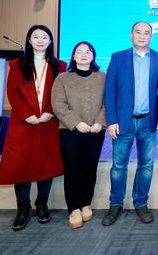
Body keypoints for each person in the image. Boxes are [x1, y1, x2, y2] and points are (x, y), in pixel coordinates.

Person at [0, 25, 66, 231]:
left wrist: (50, 112)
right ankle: (23, 207)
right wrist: (27, 115)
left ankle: (42, 203)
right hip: (23, 123)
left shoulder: (59, 66)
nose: (40, 40)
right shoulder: (17, 65)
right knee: (21, 165)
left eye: (45, 37)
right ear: (29, 40)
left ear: (50, 41)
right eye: (36, 37)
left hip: (49, 121)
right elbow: (13, 92)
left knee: (47, 163)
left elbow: (61, 93)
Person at [101, 22, 158, 226]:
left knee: (146, 165)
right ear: (131, 35)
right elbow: (110, 91)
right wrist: (112, 120)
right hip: (123, 122)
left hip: (148, 121)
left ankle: (141, 203)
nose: (142, 36)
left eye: (146, 33)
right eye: (138, 32)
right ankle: (115, 204)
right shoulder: (118, 57)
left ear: (151, 37)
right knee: (119, 166)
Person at [52, 41, 106, 229]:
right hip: (70, 131)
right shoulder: (62, 78)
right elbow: (58, 104)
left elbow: (108, 102)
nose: (83, 54)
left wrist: (100, 122)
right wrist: (77, 123)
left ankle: (85, 204)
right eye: (79, 51)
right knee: (72, 170)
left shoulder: (102, 77)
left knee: (90, 169)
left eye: (88, 51)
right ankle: (73, 208)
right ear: (73, 56)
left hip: (95, 131)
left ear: (93, 56)